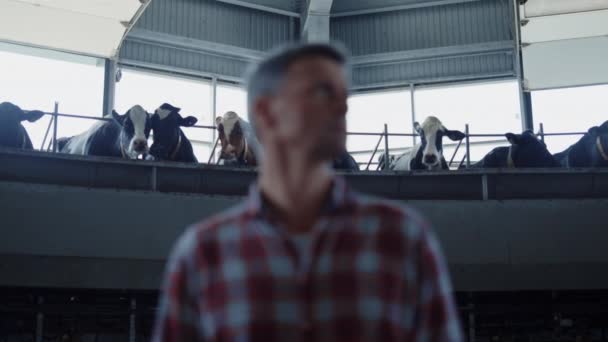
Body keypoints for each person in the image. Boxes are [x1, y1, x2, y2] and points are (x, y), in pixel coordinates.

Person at [152, 42, 463, 341]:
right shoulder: (202, 254)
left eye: (342, 95)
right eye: (322, 93)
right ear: (265, 112)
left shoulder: (405, 240)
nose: (340, 106)